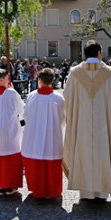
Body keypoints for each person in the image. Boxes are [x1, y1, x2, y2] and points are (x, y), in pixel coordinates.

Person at [62, 40, 111, 202]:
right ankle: (102, 192)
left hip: (82, 125)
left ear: (85, 54)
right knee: (103, 152)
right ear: (99, 53)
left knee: (84, 152)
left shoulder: (75, 73)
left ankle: (86, 192)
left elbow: (67, 98)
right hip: (105, 126)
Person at [21, 68, 66, 199]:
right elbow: (63, 118)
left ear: (39, 80)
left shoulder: (31, 96)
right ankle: (53, 190)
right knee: (52, 161)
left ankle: (38, 189)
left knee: (36, 160)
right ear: (52, 81)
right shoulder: (59, 97)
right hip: (53, 135)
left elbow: (26, 116)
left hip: (34, 135)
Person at [0, 69, 25, 195]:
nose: (9, 81)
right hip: (10, 128)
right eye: (7, 78)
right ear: (1, 80)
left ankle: (0, 186)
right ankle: (10, 186)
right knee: (11, 159)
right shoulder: (10, 93)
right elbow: (20, 108)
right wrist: (13, 90)